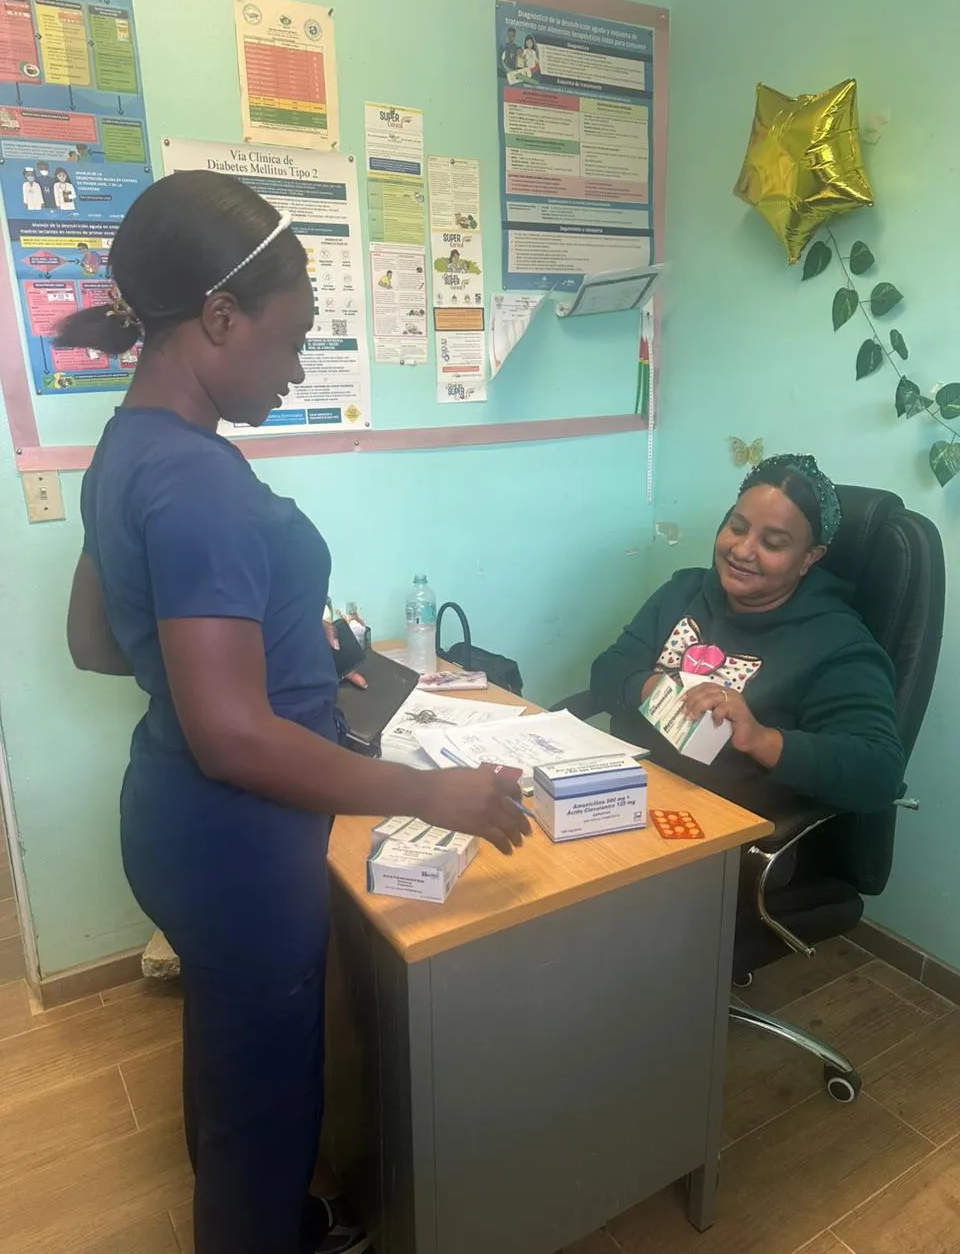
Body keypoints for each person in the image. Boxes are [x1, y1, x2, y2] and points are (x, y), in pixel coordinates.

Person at [60, 170, 530, 1254]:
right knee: (266, 1095)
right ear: (219, 315)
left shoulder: (128, 449)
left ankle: (273, 1215)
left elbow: (97, 640)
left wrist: (278, 649)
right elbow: (231, 735)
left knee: (234, 1065)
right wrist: (436, 794)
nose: (300, 364)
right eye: (294, 334)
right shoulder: (203, 484)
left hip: (168, 818)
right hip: (236, 839)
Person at [591, 455, 905, 817]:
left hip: (713, 831)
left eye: (772, 544)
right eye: (737, 527)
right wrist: (661, 691)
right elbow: (606, 673)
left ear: (809, 558)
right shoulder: (683, 591)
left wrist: (760, 739)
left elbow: (880, 773)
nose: (741, 551)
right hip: (619, 793)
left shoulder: (837, 644)